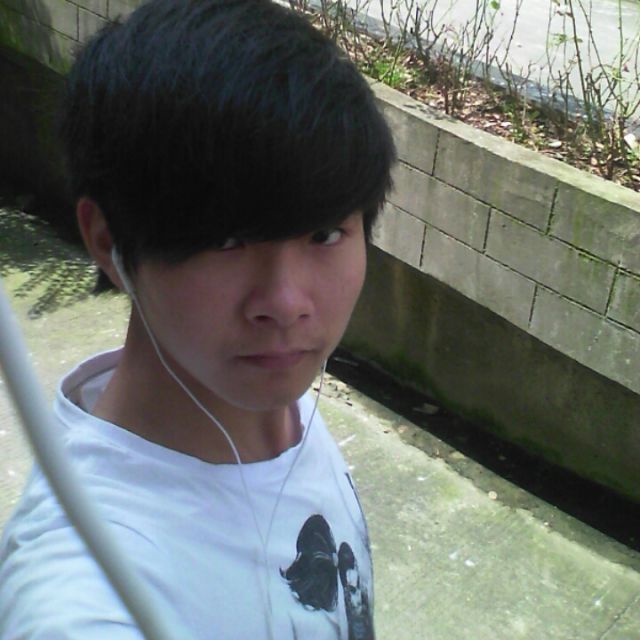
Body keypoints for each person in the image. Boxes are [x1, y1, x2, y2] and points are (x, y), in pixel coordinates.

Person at [0, 0, 395, 637]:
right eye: (227, 240)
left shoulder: (281, 407)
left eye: (324, 233)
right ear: (108, 240)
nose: (286, 302)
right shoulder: (81, 585)